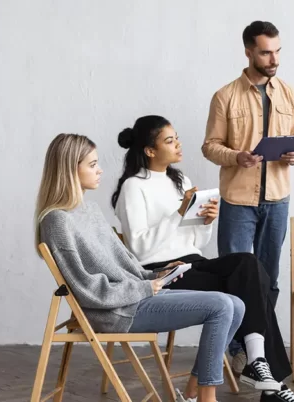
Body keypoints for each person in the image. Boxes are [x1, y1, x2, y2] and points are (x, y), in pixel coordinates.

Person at [35, 133, 244, 402]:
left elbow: (124, 264)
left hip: (137, 295)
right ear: (69, 168)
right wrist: (145, 286)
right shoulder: (57, 221)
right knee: (221, 305)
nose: (99, 170)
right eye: (92, 164)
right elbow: (85, 288)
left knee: (236, 303)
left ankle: (193, 392)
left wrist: (158, 274)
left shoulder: (90, 210)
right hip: (117, 310)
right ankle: (207, 398)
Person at [112, 115, 294, 402]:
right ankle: (267, 377)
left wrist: (206, 223)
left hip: (193, 261)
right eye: (169, 140)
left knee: (249, 266)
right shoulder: (133, 187)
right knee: (254, 285)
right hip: (161, 271)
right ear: (150, 150)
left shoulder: (180, 180)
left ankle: (257, 363)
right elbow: (140, 248)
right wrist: (178, 214)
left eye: (176, 137)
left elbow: (195, 243)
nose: (178, 143)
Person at [202, 19, 294, 308]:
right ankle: (237, 349)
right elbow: (210, 147)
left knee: (268, 277)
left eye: (277, 51)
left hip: (277, 199)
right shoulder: (225, 96)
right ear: (248, 52)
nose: (274, 59)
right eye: (265, 53)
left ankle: (261, 343)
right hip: (238, 200)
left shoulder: (289, 93)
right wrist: (237, 157)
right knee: (233, 274)